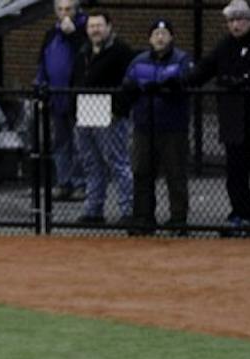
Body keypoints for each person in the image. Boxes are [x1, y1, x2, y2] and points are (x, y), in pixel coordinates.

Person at [190, 0, 250, 234]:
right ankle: (240, 213)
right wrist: (182, 82)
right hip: (233, 119)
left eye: (240, 20)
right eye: (231, 21)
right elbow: (205, 68)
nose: (235, 25)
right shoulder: (224, 46)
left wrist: (240, 81)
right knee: (235, 170)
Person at [121, 19, 195, 234]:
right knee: (142, 173)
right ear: (149, 38)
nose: (160, 37)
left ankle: (178, 219)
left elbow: (186, 82)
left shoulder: (182, 59)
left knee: (176, 175)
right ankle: (144, 219)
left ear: (171, 37)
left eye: (164, 33)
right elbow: (128, 85)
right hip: (144, 126)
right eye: (156, 34)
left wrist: (169, 87)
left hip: (173, 127)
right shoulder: (139, 61)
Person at [71, 10, 136, 225]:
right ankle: (93, 210)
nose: (95, 30)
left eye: (99, 26)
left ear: (109, 27)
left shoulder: (121, 51)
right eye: (91, 26)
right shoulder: (84, 50)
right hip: (85, 110)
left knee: (117, 162)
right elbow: (75, 80)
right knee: (91, 163)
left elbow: (130, 84)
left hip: (109, 112)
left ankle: (128, 210)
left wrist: (117, 109)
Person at [36, 0, 88, 201]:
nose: (64, 13)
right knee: (61, 143)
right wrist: (40, 85)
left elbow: (87, 55)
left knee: (82, 144)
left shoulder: (86, 29)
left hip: (82, 100)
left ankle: (81, 184)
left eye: (68, 9)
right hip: (57, 98)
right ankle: (63, 182)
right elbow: (42, 63)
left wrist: (73, 34)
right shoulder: (51, 34)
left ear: (76, 10)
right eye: (60, 9)